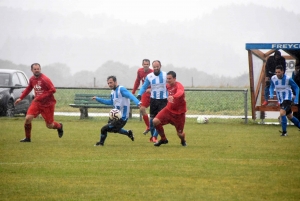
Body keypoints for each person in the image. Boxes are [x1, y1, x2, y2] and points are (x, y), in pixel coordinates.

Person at [14, 63, 63, 142]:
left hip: (48, 104)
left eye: (38, 69)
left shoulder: (45, 79)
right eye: (35, 69)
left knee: (49, 125)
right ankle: (28, 138)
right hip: (37, 103)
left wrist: (40, 97)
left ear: (40, 69)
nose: (37, 70)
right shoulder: (32, 79)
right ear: (32, 70)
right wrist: (21, 98)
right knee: (28, 118)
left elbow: (53, 90)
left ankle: (59, 126)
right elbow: (28, 88)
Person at [93, 75, 141, 146]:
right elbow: (110, 102)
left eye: (111, 82)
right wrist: (98, 99)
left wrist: (137, 102)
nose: (109, 84)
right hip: (115, 116)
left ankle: (101, 143)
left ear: (115, 82)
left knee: (104, 129)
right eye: (108, 83)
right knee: (115, 129)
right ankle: (128, 133)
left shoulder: (121, 89)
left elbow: (130, 95)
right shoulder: (112, 92)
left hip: (122, 118)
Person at [153, 71, 187, 146]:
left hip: (179, 114)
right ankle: (163, 139)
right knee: (155, 121)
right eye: (167, 78)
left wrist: (173, 96)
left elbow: (180, 92)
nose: (168, 80)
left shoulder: (179, 85)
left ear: (174, 79)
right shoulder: (167, 85)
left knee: (180, 134)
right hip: (168, 110)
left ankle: (183, 141)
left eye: (170, 78)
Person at [137, 60, 168, 143]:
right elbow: (144, 86)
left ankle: (155, 137)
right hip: (153, 100)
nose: (156, 68)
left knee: (159, 120)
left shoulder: (165, 75)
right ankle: (153, 137)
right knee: (151, 122)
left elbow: (169, 86)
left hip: (163, 100)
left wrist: (170, 95)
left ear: (160, 66)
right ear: (153, 67)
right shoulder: (150, 76)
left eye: (157, 66)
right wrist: (139, 94)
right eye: (154, 67)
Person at [269, 65, 300, 136]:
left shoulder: (288, 79)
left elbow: (297, 88)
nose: (277, 74)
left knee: (282, 113)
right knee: (290, 116)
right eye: (276, 72)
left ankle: (284, 132)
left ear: (282, 71)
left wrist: (296, 99)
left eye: (279, 72)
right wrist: (271, 94)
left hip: (287, 98)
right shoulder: (273, 78)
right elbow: (271, 86)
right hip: (281, 100)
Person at [132, 59, 153, 134]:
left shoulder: (153, 72)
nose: (146, 65)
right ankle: (148, 126)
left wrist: (151, 89)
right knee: (142, 108)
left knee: (155, 113)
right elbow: (137, 81)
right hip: (145, 93)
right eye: (145, 64)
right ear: (142, 65)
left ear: (149, 65)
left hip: (153, 93)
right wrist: (133, 91)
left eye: (147, 64)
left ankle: (155, 131)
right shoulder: (140, 71)